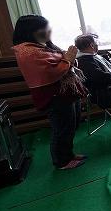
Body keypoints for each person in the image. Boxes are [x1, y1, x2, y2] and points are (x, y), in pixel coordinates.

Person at [12, 15, 87, 170]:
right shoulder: (27, 52)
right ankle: (62, 161)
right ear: (30, 31)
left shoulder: (42, 46)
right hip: (54, 95)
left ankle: (69, 154)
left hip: (67, 91)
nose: (48, 32)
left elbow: (64, 61)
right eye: (44, 29)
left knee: (71, 125)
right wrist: (68, 59)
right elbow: (50, 73)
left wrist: (69, 59)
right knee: (62, 128)